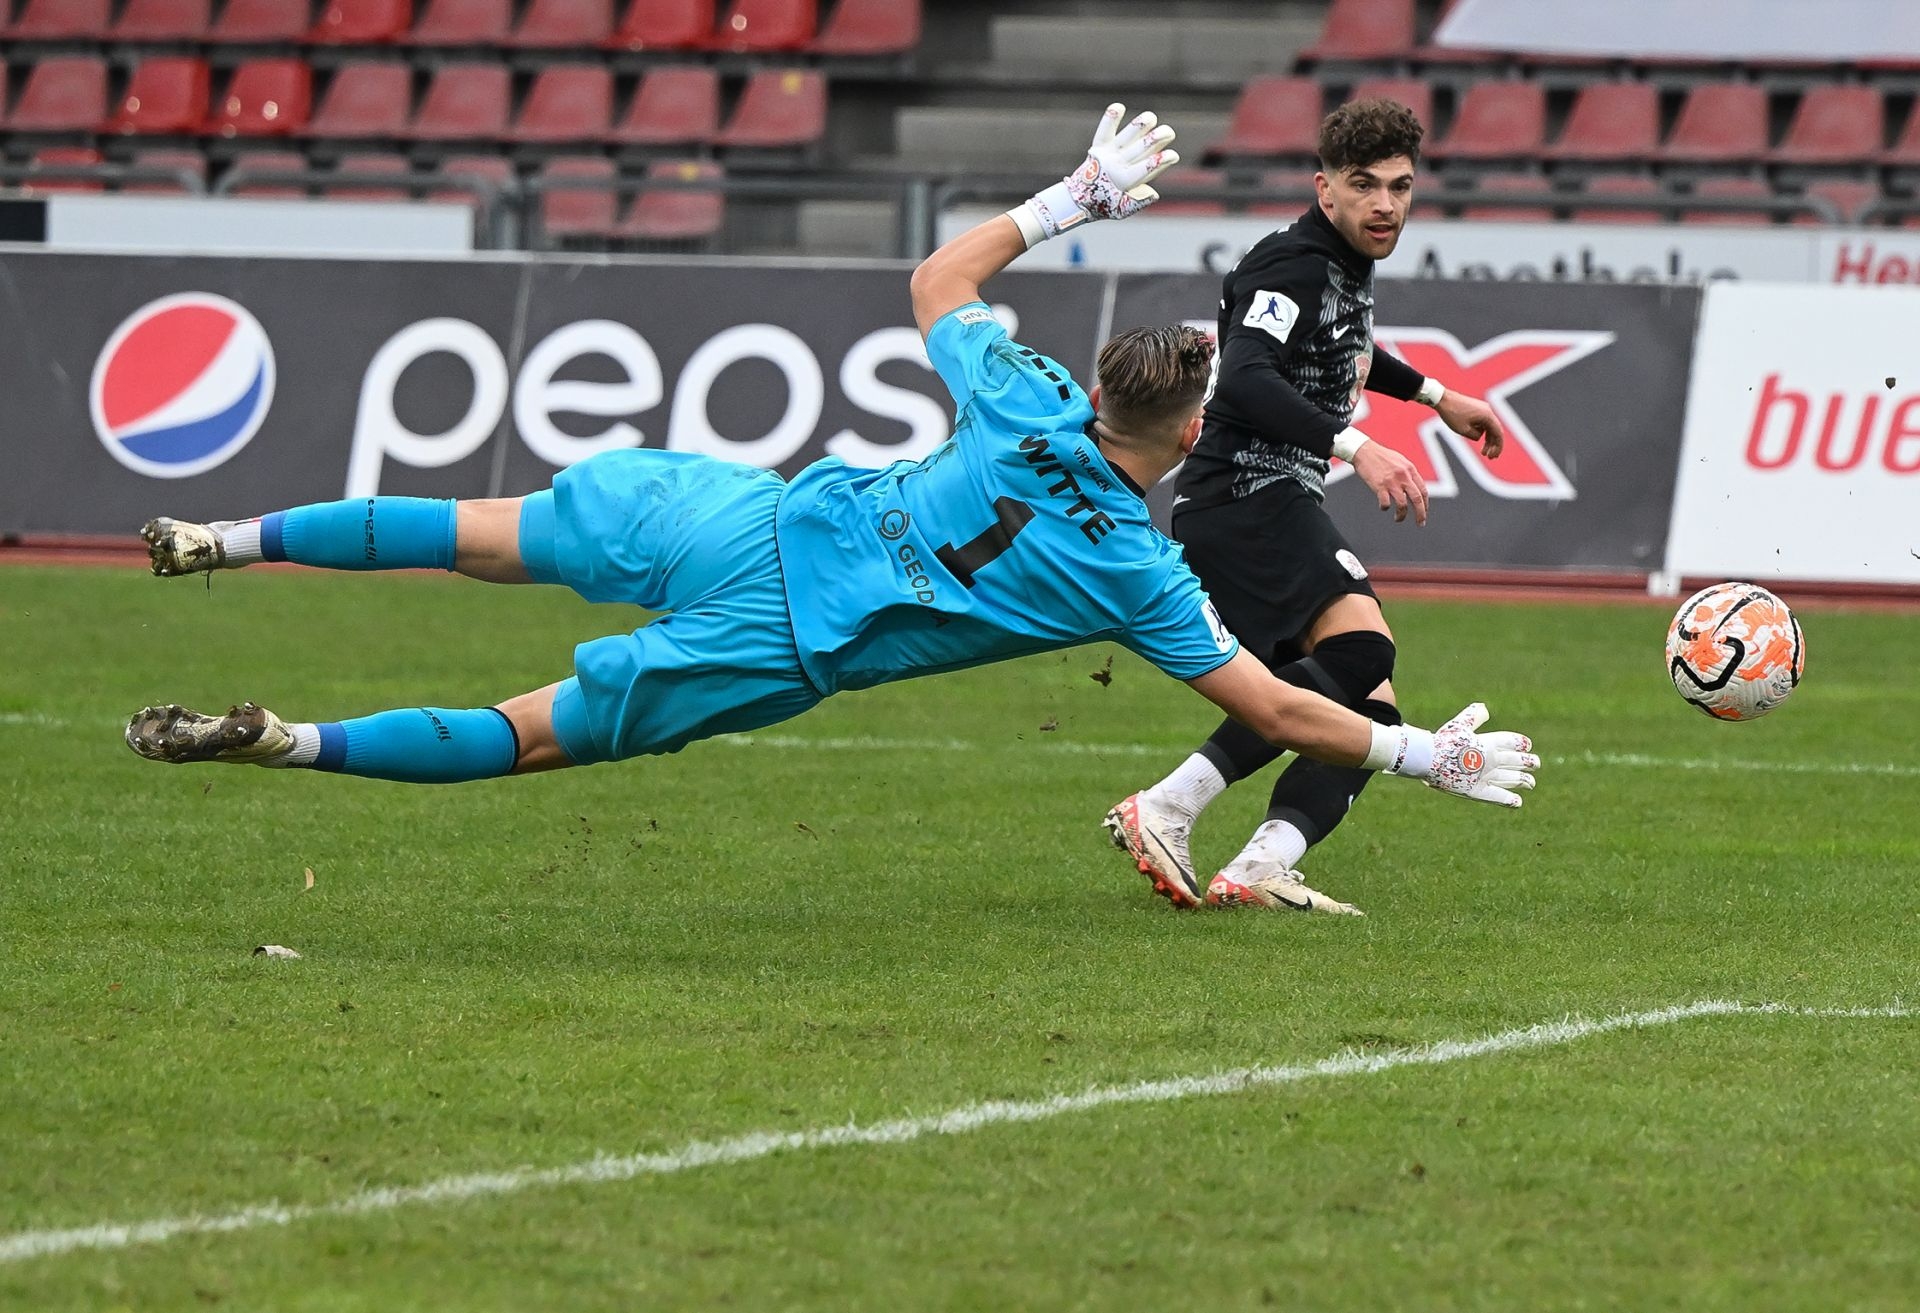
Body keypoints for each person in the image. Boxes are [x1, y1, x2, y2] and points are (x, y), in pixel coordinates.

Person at [125, 104, 1539, 855]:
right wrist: (1428, 751)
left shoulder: (1023, 392)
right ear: (1183, 436)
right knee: (532, 732)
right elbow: (1285, 703)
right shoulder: (1134, 566)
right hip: (787, 637)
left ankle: (229, 535)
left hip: (749, 508)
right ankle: (289, 741)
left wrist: (1072, 202)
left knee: (478, 533)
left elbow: (938, 277)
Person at [1104, 98, 1515, 916]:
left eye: (1400, 186)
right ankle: (1170, 803)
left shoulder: (1338, 268)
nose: (1385, 205)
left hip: (1263, 498)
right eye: (1365, 186)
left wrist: (1438, 395)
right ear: (1324, 188)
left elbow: (1346, 348)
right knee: (1362, 652)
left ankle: (1263, 863)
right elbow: (1249, 374)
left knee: (1369, 705)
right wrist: (1359, 445)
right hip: (1242, 494)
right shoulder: (1288, 266)